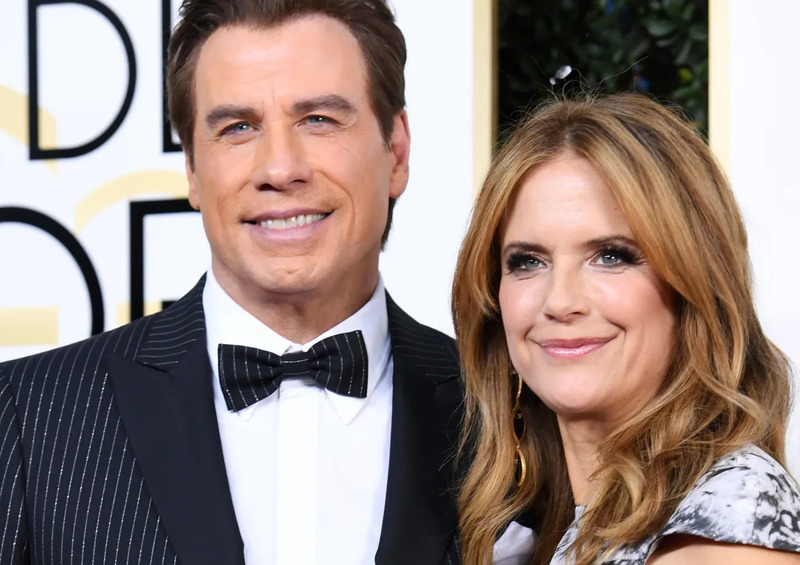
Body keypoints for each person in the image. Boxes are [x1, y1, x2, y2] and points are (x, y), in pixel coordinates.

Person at [0, 1, 532, 563]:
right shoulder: (28, 418)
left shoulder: (507, 414)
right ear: (192, 170)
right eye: (238, 128)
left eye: (318, 119)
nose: (279, 169)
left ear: (396, 150)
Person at [451, 93, 800, 565]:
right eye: (528, 261)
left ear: (694, 283)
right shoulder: (542, 527)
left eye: (611, 256)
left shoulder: (726, 525)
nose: (560, 302)